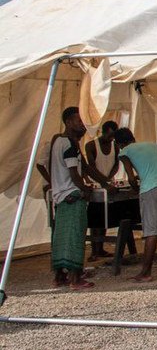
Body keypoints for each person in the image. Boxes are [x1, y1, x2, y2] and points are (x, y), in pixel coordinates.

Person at [37, 107, 97, 289]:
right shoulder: (69, 144)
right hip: (72, 194)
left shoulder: (58, 141)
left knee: (61, 238)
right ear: (69, 122)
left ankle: (59, 276)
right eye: (79, 121)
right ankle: (75, 279)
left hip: (61, 196)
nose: (82, 125)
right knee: (75, 238)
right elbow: (73, 172)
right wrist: (85, 189)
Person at [115, 128, 157, 282]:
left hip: (150, 189)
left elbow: (131, 179)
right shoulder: (152, 145)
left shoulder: (124, 152)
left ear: (119, 144)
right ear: (133, 137)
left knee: (151, 231)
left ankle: (146, 272)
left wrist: (136, 189)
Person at [83, 120, 121, 260]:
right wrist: (102, 181)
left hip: (108, 184)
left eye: (113, 136)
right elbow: (91, 166)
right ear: (103, 132)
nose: (110, 139)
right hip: (96, 184)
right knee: (95, 219)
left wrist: (109, 178)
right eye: (109, 135)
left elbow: (117, 163)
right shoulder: (91, 145)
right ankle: (94, 250)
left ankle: (100, 248)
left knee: (105, 217)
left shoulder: (115, 146)